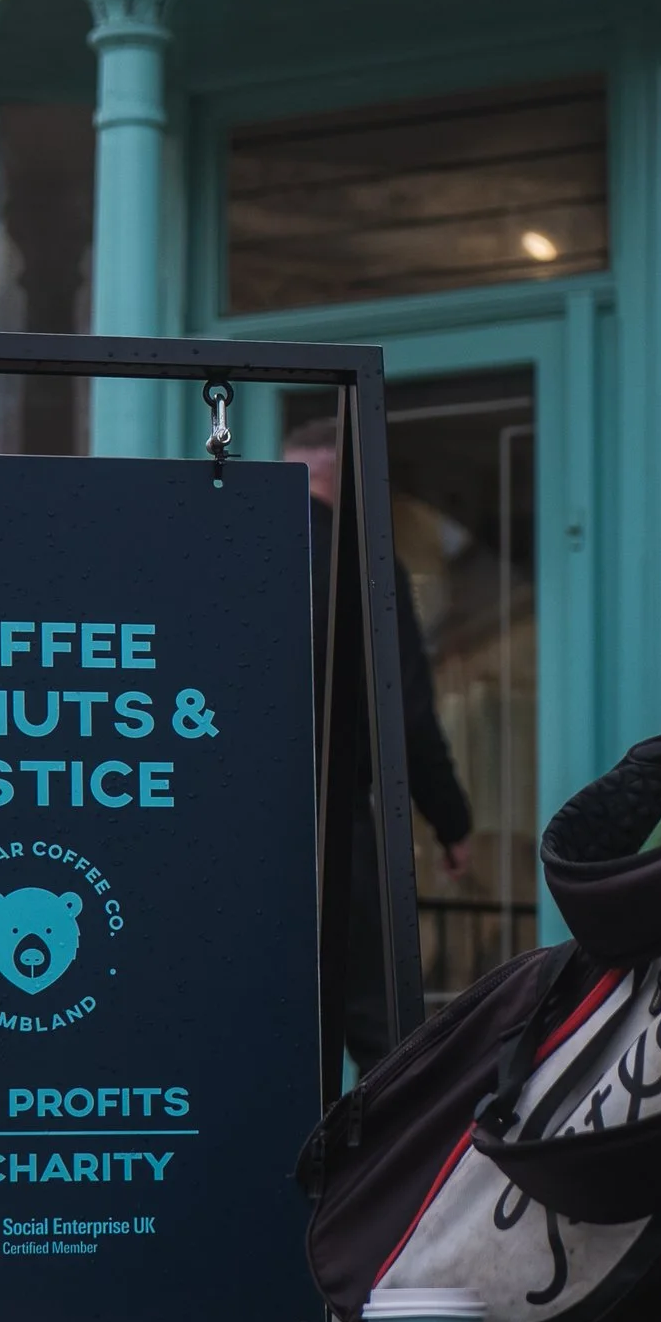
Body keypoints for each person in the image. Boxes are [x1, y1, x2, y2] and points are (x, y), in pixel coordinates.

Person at [287, 420, 473, 1077]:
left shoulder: (239, 556)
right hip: (336, 823)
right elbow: (406, 713)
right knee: (381, 1033)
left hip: (237, 826)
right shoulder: (362, 567)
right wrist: (452, 820)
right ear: (344, 474)